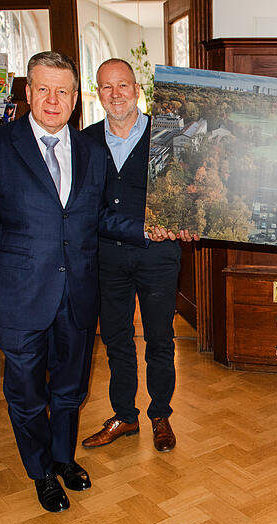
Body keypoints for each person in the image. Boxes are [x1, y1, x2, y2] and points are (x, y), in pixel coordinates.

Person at [0, 51, 169, 513]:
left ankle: (63, 458)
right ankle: (40, 472)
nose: (53, 100)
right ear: (29, 93)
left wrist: (144, 229)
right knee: (27, 392)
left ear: (75, 99)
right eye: (43, 89)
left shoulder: (90, 149)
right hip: (17, 296)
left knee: (70, 390)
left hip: (76, 294)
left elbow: (99, 216)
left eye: (62, 91)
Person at [81, 59, 196, 453]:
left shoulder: (168, 134)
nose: (116, 94)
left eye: (123, 85)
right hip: (108, 259)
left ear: (137, 89)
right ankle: (125, 416)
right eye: (106, 87)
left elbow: (188, 193)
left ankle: (160, 414)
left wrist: (190, 221)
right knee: (116, 340)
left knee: (161, 340)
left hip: (159, 257)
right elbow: (84, 210)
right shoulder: (85, 142)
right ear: (98, 93)